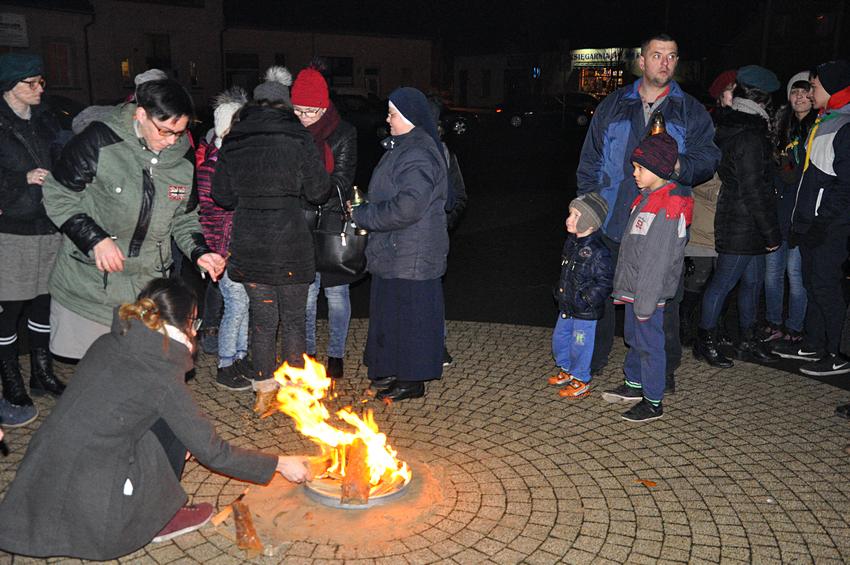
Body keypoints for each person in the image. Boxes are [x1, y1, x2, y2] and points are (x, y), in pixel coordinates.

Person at [0, 278, 311, 560]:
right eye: (196, 322)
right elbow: (213, 450)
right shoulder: (160, 371)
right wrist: (280, 463)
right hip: (96, 504)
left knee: (170, 421)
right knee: (179, 426)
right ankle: (160, 517)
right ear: (185, 324)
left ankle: (155, 498)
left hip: (46, 474)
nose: (197, 330)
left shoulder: (113, 340)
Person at [576, 33, 720, 391]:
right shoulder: (613, 105)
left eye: (671, 56)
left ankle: (661, 369)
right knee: (603, 290)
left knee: (661, 298)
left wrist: (674, 167)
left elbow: (708, 158)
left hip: (663, 220)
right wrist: (585, 205)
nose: (665, 63)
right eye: (657, 55)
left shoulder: (689, 110)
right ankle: (595, 358)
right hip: (613, 214)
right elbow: (590, 159)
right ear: (642, 61)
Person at [42, 78, 225, 360]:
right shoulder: (99, 141)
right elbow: (58, 194)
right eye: (164, 131)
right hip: (92, 285)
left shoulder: (182, 160)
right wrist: (95, 239)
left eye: (179, 132)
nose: (171, 141)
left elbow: (185, 219)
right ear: (141, 115)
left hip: (146, 290)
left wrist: (200, 252)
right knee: (97, 374)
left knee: (139, 371)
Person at [212, 66, 331, 414]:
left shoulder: (234, 141)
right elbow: (319, 191)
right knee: (294, 320)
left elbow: (222, 195)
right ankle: (296, 395)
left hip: (250, 244)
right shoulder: (299, 139)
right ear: (287, 107)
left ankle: (263, 391)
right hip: (291, 243)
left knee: (262, 322)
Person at [350, 87, 449, 402]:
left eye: (392, 113)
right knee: (393, 316)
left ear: (409, 118)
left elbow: (408, 207)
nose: (387, 118)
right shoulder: (403, 147)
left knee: (411, 319)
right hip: (397, 249)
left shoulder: (418, 152)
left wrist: (366, 215)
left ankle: (412, 379)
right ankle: (394, 370)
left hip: (412, 254)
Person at [693, 65, 782, 368]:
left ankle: (747, 340)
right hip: (742, 221)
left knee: (752, 282)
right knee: (723, 283)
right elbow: (753, 188)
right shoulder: (749, 134)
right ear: (763, 99)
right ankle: (704, 341)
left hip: (744, 219)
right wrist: (771, 233)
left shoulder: (739, 126)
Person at [602, 132, 693, 422]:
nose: (634, 173)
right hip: (636, 289)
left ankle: (653, 401)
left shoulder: (667, 206)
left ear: (658, 169)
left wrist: (645, 304)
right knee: (634, 338)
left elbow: (657, 261)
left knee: (650, 344)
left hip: (648, 294)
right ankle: (633, 383)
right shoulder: (648, 198)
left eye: (640, 168)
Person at [0, 52, 65, 426]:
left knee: (44, 303)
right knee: (9, 309)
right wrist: (21, 182)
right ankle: (11, 382)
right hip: (11, 231)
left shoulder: (45, 120)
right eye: (31, 83)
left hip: (47, 226)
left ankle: (42, 372)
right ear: (10, 87)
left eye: (41, 81)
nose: (40, 88)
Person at [774, 60, 850, 378]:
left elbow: (845, 185)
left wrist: (822, 219)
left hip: (830, 228)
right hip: (812, 224)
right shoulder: (826, 119)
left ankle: (836, 353)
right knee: (812, 285)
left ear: (831, 86)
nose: (810, 91)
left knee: (826, 288)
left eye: (814, 85)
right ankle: (815, 343)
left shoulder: (844, 125)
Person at [291, 65, 358, 380]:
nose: (304, 116)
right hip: (299, 223)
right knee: (305, 295)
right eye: (298, 110)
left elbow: (343, 179)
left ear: (324, 106)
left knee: (336, 294)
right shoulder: (290, 132)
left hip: (331, 222)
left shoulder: (343, 132)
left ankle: (336, 355)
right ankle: (310, 354)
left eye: (310, 110)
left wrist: (317, 189)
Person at [196, 86, 253, 390]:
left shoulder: (235, 165)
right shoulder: (212, 169)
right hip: (223, 250)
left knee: (243, 304)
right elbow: (211, 215)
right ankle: (226, 362)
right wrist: (218, 251)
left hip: (240, 248)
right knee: (236, 305)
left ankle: (241, 356)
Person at [760, 71, 815, 344]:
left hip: (800, 210)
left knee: (795, 273)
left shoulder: (818, 127)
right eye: (795, 91)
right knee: (772, 273)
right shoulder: (780, 125)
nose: (800, 97)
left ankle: (795, 325)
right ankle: (774, 322)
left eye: (806, 92)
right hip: (777, 209)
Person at [547, 192, 613, 399]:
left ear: (589, 222)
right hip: (567, 306)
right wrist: (560, 291)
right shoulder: (572, 243)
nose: (569, 219)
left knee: (580, 345)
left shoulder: (598, 251)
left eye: (576, 216)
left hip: (585, 311)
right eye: (570, 214)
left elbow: (604, 281)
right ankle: (566, 369)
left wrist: (586, 299)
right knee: (560, 339)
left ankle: (581, 378)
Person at [428, 97, 469, 366]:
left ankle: (437, 345)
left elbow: (460, 196)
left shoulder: (443, 154)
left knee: (431, 291)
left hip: (434, 237)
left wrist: (443, 223)